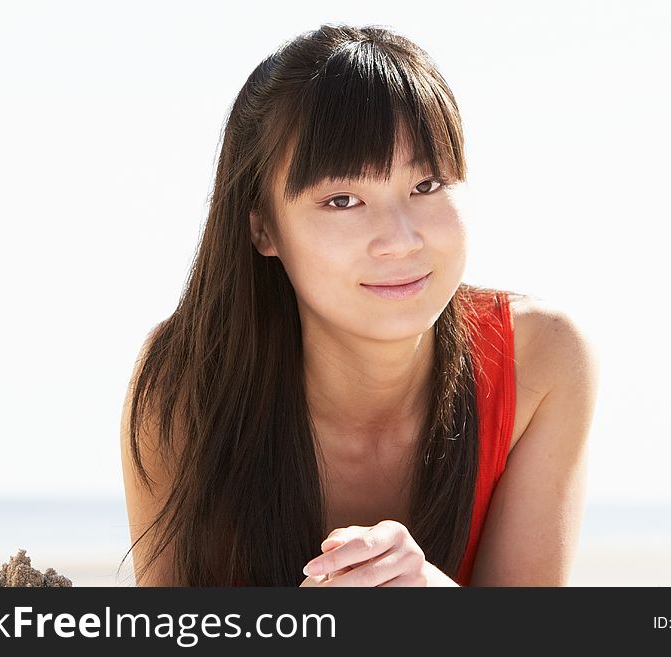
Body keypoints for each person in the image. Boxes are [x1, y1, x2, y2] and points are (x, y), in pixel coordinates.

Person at [120, 23, 599, 587]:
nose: (400, 239)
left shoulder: (538, 361)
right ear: (262, 228)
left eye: (426, 185)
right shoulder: (190, 380)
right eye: (343, 200)